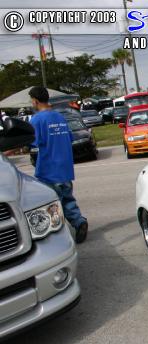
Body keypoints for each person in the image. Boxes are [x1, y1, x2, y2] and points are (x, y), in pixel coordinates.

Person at [28, 86, 88, 243]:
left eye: (31, 101)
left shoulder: (36, 120)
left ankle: (57, 236)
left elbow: (31, 142)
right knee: (67, 199)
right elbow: (69, 138)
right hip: (65, 168)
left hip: (48, 169)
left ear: (35, 101)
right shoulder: (60, 117)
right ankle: (79, 222)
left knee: (50, 204)